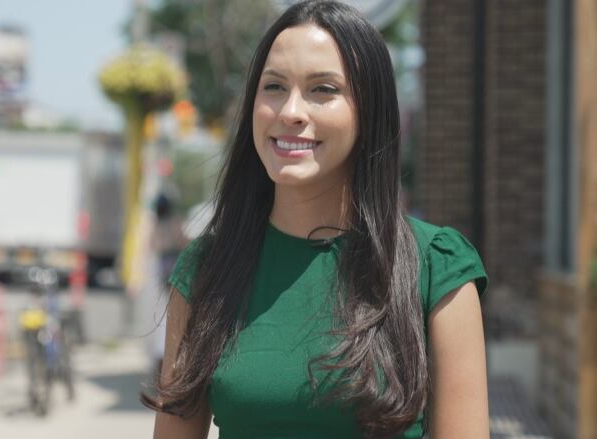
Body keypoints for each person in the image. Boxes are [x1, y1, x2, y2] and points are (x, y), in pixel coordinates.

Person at [144, 1, 490, 438]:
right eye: (273, 87)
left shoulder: (437, 267)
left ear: (369, 111)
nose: (290, 111)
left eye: (322, 89)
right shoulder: (208, 268)